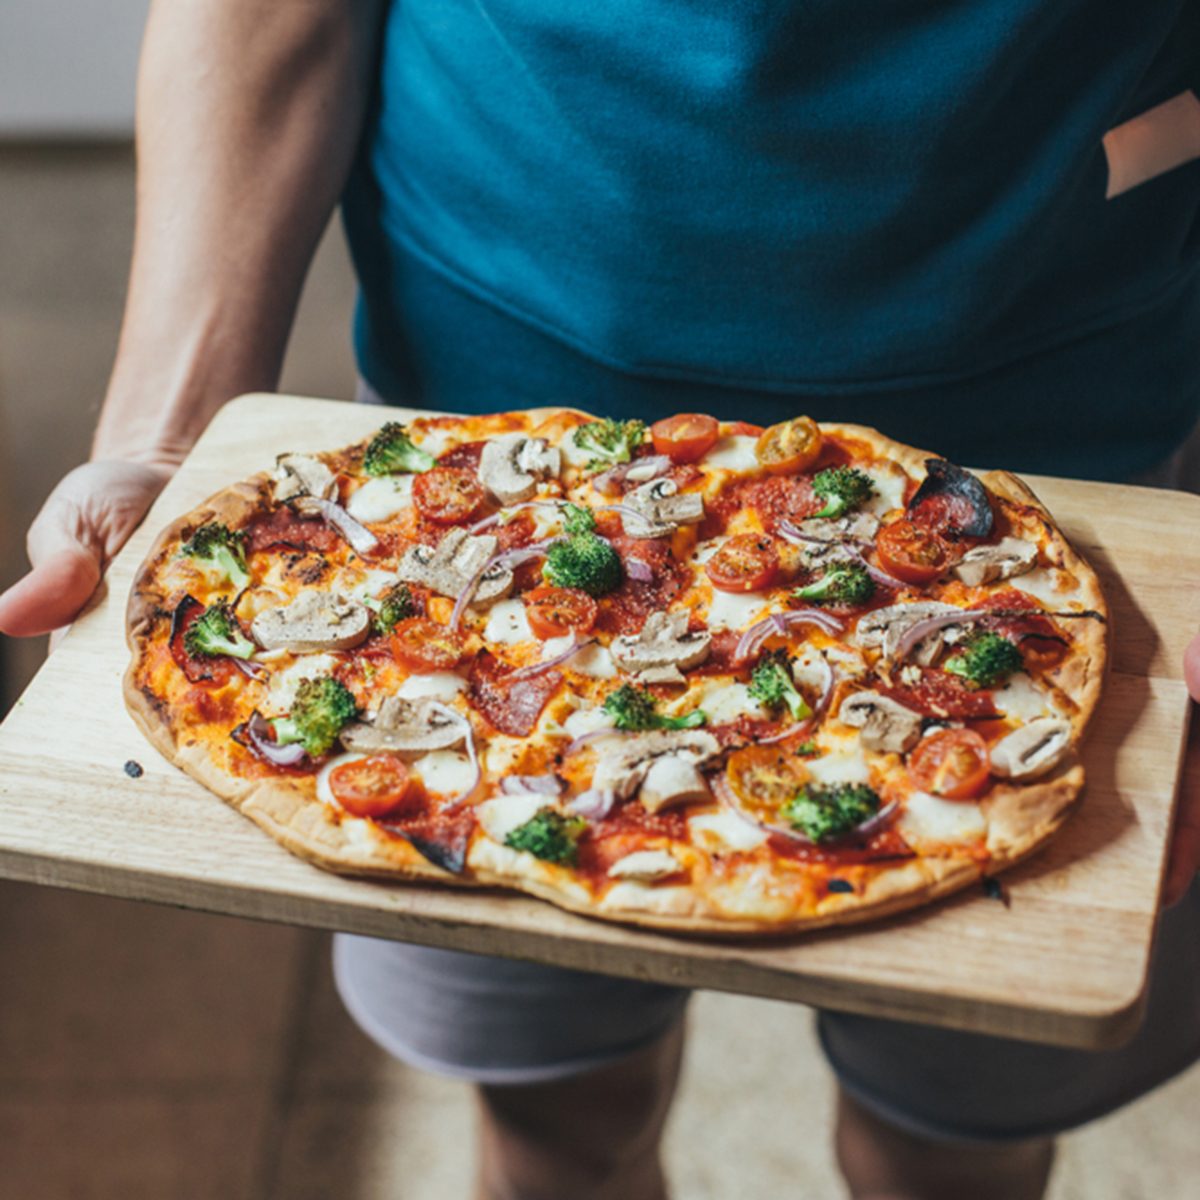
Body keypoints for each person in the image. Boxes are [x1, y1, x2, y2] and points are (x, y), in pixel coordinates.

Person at [2, 3, 1199, 1197]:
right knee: (558, 1123)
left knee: (956, 1146)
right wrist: (166, 451)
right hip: (457, 450)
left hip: (1068, 397)